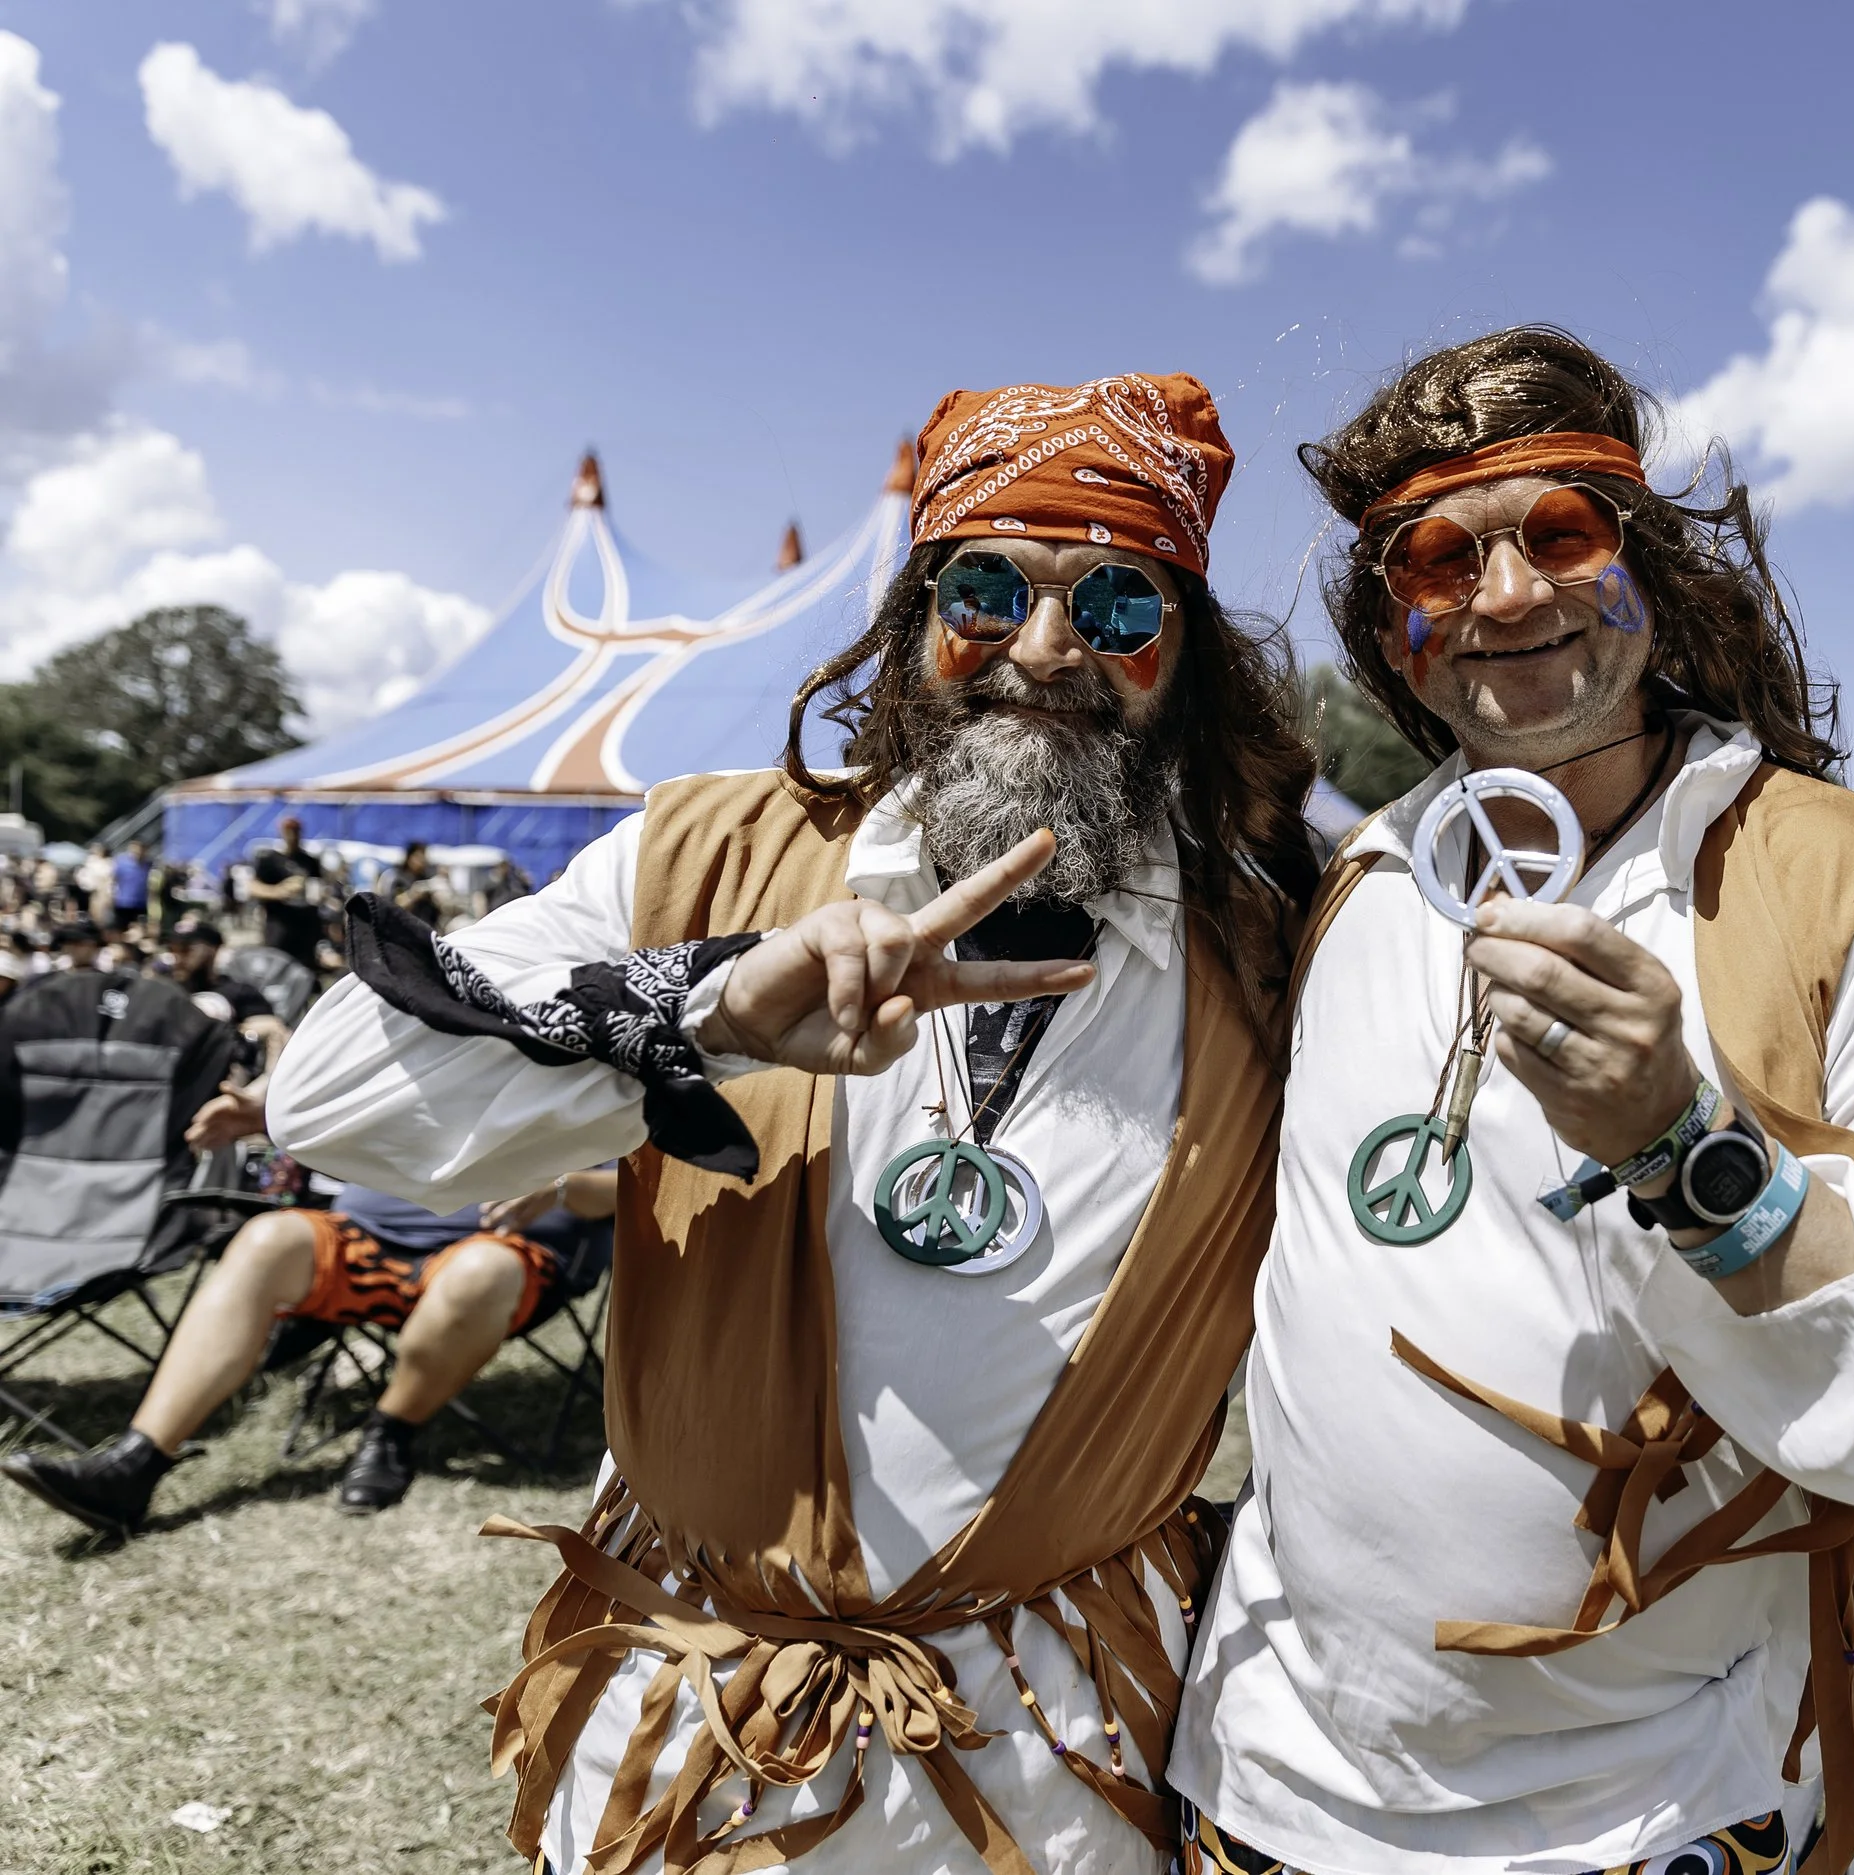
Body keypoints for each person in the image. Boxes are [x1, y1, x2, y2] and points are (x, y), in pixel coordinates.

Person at [264, 374, 1318, 1874]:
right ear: (911, 621)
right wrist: (703, 1013)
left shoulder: (1268, 947)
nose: (1044, 646)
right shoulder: (701, 856)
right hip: (696, 1721)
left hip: (1062, 1751)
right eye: (988, 588)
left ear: (1188, 660)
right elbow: (329, 1100)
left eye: (1121, 605)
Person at [1172, 328, 1854, 1875]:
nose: (1510, 593)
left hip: (1647, 1809)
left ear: (1647, 566)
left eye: (1561, 533)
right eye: (1441, 556)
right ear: (1393, 626)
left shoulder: (1829, 876)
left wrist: (1690, 1148)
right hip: (1271, 1785)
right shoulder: (1356, 884)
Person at [0, 1162, 618, 1531]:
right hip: (367, 1238)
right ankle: (134, 1465)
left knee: (480, 1271)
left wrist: (561, 1188)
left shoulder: (606, 1053)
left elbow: (638, 1183)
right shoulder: (432, 1036)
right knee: (270, 1236)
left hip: (507, 1253)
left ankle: (391, 1432)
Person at [246, 815, 329, 970]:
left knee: (305, 967)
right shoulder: (269, 859)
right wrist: (279, 891)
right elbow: (253, 887)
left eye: (296, 831)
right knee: (277, 965)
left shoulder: (308, 860)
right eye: (288, 831)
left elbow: (319, 885)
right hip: (280, 923)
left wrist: (321, 894)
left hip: (306, 923)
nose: (292, 836)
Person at [109, 839, 150, 934]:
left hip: (141, 903)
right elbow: (112, 880)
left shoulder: (148, 865)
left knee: (140, 930)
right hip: (123, 902)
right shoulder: (121, 863)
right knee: (121, 930)